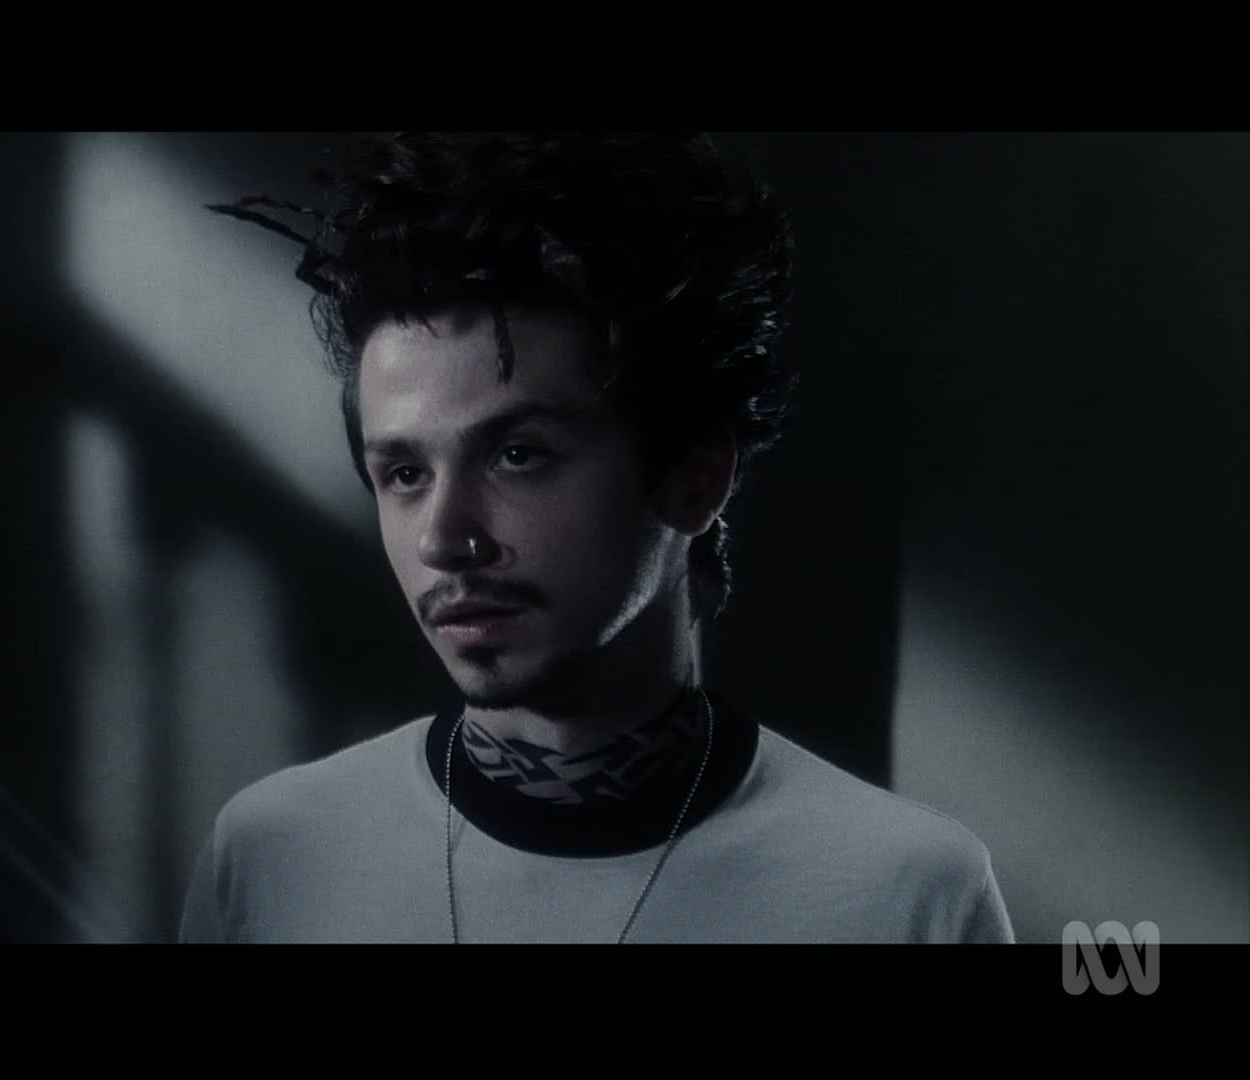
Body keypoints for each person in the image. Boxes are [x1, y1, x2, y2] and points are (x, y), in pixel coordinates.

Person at [180, 132, 1014, 944]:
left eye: (517, 455)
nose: (442, 539)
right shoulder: (270, 860)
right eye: (404, 473)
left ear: (694, 474)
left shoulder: (906, 892)